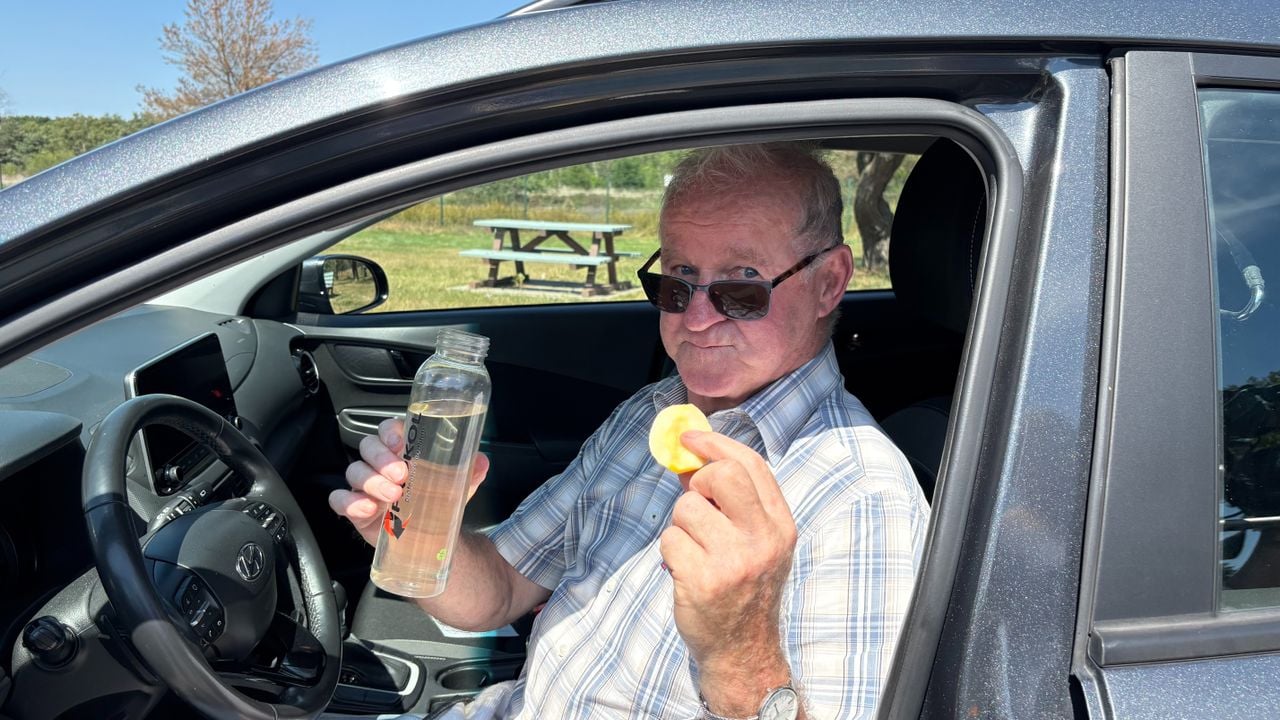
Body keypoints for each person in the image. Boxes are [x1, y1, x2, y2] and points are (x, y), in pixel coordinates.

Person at [330, 142, 930, 720]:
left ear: (829, 282)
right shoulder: (651, 411)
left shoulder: (860, 496)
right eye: (677, 280)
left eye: (741, 286)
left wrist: (737, 648)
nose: (695, 319)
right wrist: (414, 533)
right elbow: (502, 590)